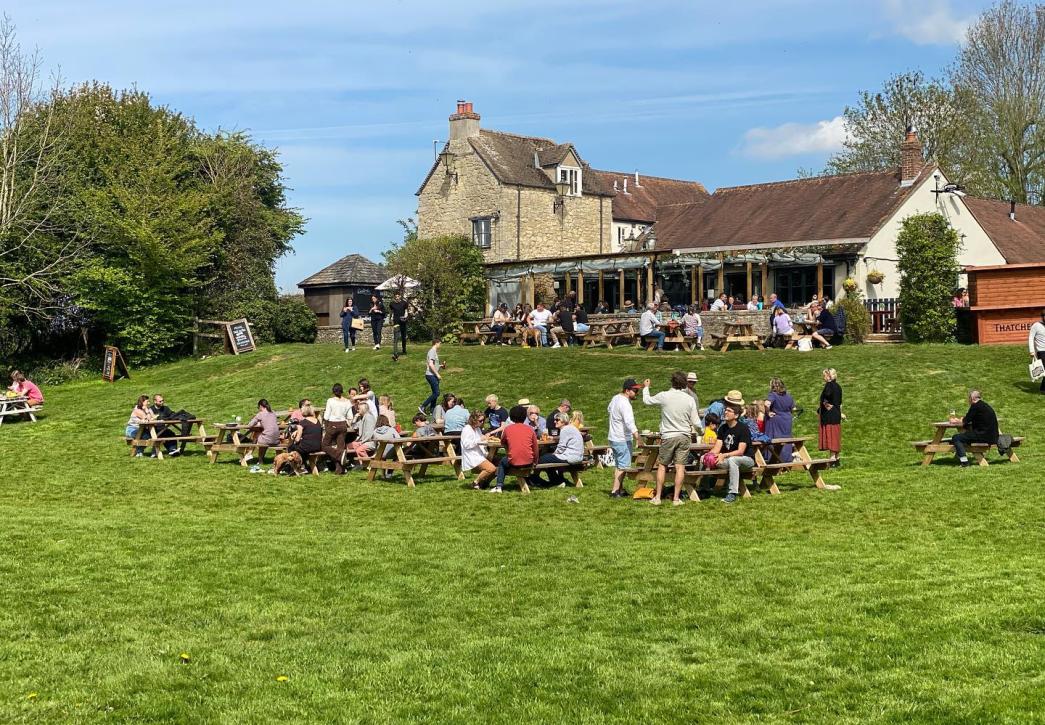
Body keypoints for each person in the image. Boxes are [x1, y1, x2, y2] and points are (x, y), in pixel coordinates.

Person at [643, 372, 701, 506]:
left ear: (672, 382)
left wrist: (646, 387)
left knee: (662, 466)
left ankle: (657, 497)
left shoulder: (664, 395)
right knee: (680, 467)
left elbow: (647, 400)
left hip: (668, 436)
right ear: (684, 383)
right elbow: (696, 421)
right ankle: (676, 498)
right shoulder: (689, 399)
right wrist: (701, 431)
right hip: (684, 436)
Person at [709, 393, 754, 504]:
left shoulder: (743, 428)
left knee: (733, 460)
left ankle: (732, 493)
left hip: (746, 460)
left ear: (736, 415)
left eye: (729, 411)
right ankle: (703, 489)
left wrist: (723, 455)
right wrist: (708, 455)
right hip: (729, 460)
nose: (725, 412)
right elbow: (717, 447)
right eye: (726, 410)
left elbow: (740, 451)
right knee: (707, 459)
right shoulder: (723, 428)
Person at [528, 411, 584, 487]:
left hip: (571, 457)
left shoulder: (565, 430)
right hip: (577, 456)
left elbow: (561, 447)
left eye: (557, 420)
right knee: (547, 458)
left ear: (563, 421)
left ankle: (534, 478)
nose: (555, 421)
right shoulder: (570, 428)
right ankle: (557, 480)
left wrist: (554, 454)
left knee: (542, 459)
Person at [491, 405, 539, 493]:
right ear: (525, 416)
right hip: (529, 461)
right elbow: (535, 448)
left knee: (502, 462)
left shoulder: (507, 429)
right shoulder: (530, 429)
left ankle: (499, 486)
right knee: (507, 460)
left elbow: (503, 442)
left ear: (511, 417)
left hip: (514, 461)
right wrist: (535, 461)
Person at [607, 378, 642, 498]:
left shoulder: (615, 398)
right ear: (627, 390)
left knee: (619, 464)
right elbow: (629, 422)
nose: (637, 393)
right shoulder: (625, 403)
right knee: (623, 466)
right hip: (622, 438)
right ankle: (615, 491)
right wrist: (637, 436)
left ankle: (620, 489)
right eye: (635, 390)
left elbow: (609, 409)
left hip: (613, 437)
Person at [948, 390, 999, 468]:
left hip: (983, 436)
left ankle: (964, 462)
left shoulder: (975, 406)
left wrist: (955, 421)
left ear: (972, 398)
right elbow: (969, 419)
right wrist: (963, 419)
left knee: (956, 438)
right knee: (965, 436)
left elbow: (964, 422)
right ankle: (960, 455)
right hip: (993, 437)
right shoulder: (985, 405)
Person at [461, 410, 497, 489]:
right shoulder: (467, 429)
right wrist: (481, 439)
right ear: (474, 420)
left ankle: (484, 483)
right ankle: (475, 482)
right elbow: (467, 445)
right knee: (491, 468)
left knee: (498, 468)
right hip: (472, 456)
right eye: (480, 420)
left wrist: (488, 438)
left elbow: (481, 440)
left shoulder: (477, 429)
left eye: (483, 420)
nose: (482, 422)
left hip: (479, 454)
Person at [322, 383, 353, 474]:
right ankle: (340, 470)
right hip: (343, 425)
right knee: (340, 446)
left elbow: (327, 416)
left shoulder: (330, 401)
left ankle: (339, 455)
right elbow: (350, 416)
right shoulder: (347, 401)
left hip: (332, 424)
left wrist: (326, 425)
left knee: (325, 445)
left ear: (333, 391)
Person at [765, 377, 796, 462]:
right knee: (787, 440)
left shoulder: (773, 395)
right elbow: (793, 408)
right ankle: (786, 458)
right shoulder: (788, 395)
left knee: (775, 440)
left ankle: (774, 460)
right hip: (787, 420)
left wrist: (768, 413)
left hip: (776, 421)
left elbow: (767, 404)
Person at [818, 368, 843, 462]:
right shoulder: (838, 386)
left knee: (831, 434)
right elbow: (840, 402)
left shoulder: (829, 385)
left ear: (828, 376)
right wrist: (840, 413)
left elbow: (827, 396)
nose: (823, 377)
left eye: (824, 375)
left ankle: (832, 457)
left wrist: (825, 404)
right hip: (836, 413)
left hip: (829, 414)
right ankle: (837, 456)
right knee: (836, 434)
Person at [247, 399, 281, 466]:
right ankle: (256, 457)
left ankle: (252, 455)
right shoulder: (273, 412)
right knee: (264, 437)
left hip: (268, 439)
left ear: (260, 406)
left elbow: (250, 425)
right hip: (277, 439)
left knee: (256, 434)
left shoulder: (260, 414)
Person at [347, 400, 377, 466]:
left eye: (359, 409)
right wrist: (355, 417)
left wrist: (362, 442)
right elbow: (353, 427)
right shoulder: (361, 418)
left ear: (363, 409)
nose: (358, 410)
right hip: (362, 441)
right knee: (348, 446)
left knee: (359, 450)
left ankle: (368, 465)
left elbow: (369, 434)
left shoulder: (369, 417)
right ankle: (355, 463)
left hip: (370, 442)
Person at [420, 338, 443, 415]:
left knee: (434, 393)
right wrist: (437, 374)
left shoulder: (434, 352)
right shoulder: (432, 352)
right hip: (431, 375)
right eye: (440, 343)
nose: (440, 345)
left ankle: (432, 410)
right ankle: (423, 406)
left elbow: (434, 365)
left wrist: (440, 366)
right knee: (437, 393)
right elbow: (430, 364)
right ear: (436, 343)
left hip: (433, 375)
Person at [389, 291, 411, 356]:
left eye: (398, 296)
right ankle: (395, 352)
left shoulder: (404, 303)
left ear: (400, 296)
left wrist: (406, 317)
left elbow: (406, 311)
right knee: (396, 337)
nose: (397, 298)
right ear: (394, 297)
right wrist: (390, 319)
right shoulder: (392, 304)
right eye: (396, 297)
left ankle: (404, 350)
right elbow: (391, 312)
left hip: (403, 322)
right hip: (396, 322)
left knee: (403, 337)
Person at [1030, 308, 1045, 394]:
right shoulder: (1036, 325)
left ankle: (1043, 388)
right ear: (1042, 317)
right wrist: (1032, 351)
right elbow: (1031, 338)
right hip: (1042, 351)